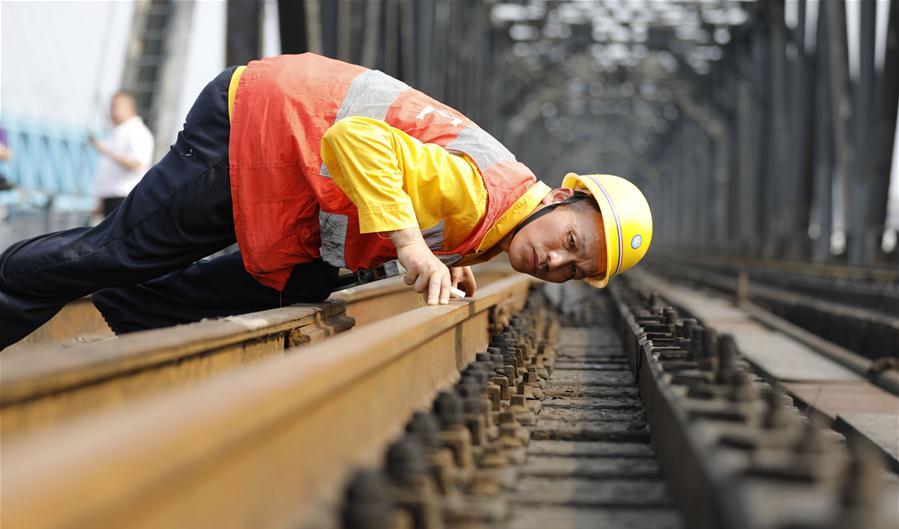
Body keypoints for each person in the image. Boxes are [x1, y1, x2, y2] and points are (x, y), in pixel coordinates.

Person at [0, 54, 652, 349]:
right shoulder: (481, 190)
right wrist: (410, 247)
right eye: (571, 242)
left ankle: (119, 319)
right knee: (114, 251)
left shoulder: (497, 215)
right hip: (258, 127)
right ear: (564, 197)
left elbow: (417, 193)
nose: (555, 263)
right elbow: (353, 137)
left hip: (287, 178)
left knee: (302, 286)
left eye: (574, 270)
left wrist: (448, 253)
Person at [89, 91, 154, 217]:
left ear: (130, 107)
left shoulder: (138, 132)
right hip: (110, 198)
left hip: (124, 198)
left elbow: (138, 164)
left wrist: (108, 152)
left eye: (115, 106)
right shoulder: (117, 132)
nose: (111, 111)